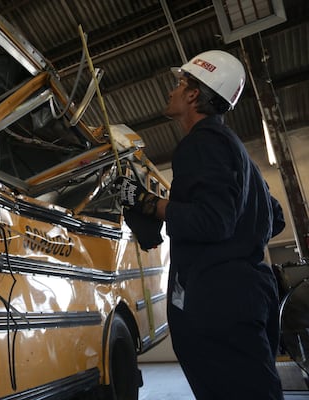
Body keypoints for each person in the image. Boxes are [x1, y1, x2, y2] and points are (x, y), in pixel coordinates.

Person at [114, 50, 286, 399]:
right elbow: (276, 218)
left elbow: (213, 221)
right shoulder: (238, 155)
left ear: (194, 95)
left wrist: (149, 203)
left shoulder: (201, 143)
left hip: (218, 303)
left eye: (179, 84)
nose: (172, 91)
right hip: (249, 296)